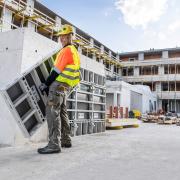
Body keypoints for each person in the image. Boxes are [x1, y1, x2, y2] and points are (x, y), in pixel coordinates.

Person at [37, 24, 81, 154]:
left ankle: (54, 144)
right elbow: (78, 75)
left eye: (65, 36)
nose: (62, 39)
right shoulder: (75, 52)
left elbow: (56, 70)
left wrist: (46, 83)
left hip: (57, 85)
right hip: (65, 88)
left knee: (52, 114)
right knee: (62, 113)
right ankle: (66, 140)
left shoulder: (66, 50)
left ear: (70, 36)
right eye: (60, 37)